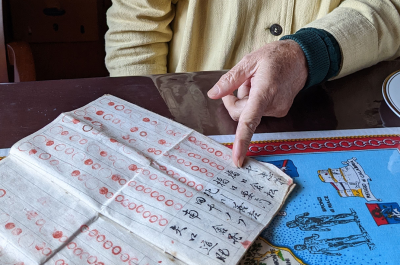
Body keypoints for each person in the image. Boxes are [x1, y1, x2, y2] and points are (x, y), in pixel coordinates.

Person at [105, 1, 400, 167]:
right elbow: (136, 25)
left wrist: (306, 54)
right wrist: (150, 129)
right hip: (189, 126)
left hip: (338, 117)